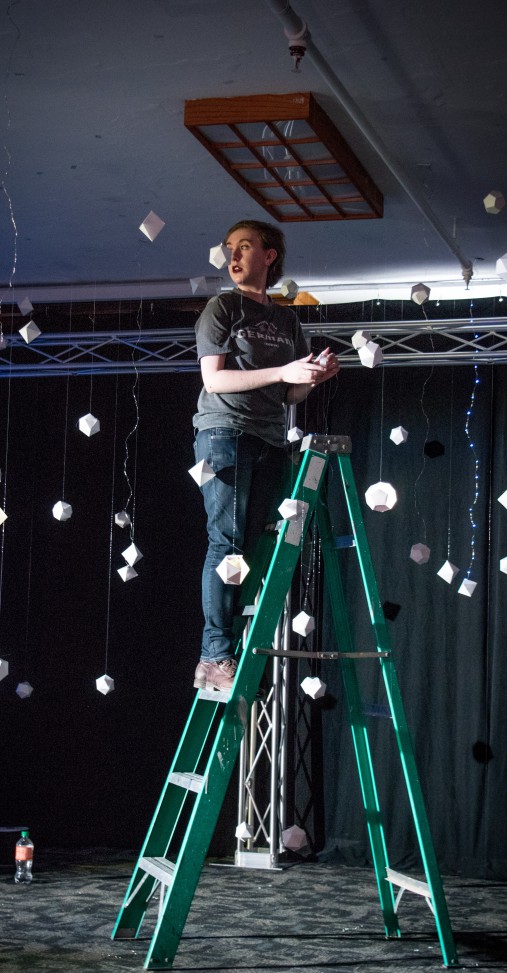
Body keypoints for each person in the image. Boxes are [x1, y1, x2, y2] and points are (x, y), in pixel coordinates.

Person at [192, 219, 340, 692]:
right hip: (224, 434)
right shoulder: (222, 308)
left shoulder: (286, 319)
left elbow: (289, 394)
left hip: (270, 437)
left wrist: (312, 378)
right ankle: (214, 656)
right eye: (229, 247)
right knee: (227, 542)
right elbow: (214, 381)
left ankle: (232, 650)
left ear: (270, 256)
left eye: (245, 247)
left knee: (257, 545)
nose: (234, 256)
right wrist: (284, 371)